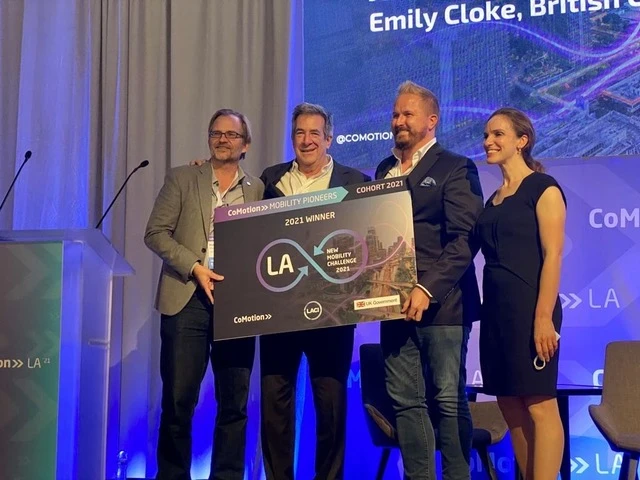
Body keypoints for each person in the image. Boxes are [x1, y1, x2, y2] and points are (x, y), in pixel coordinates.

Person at [144, 108, 264, 480]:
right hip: (187, 297)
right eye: (216, 133)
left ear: (245, 145)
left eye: (232, 134)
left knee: (234, 403)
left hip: (237, 301)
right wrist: (195, 267)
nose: (223, 139)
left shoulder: (257, 189)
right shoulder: (182, 177)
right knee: (178, 400)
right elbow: (155, 233)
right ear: (209, 138)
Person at [376, 81, 484, 480]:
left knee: (448, 400)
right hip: (391, 304)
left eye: (408, 114)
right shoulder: (384, 170)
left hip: (444, 306)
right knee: (405, 401)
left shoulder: (455, 166)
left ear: (431, 120)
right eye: (395, 114)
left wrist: (427, 288)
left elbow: (465, 238)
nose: (399, 121)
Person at [259, 102, 370, 480]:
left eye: (314, 133)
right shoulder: (270, 179)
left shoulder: (354, 180)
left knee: (331, 404)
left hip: (332, 311)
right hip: (278, 309)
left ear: (329, 139)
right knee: (275, 404)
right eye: (299, 133)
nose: (306, 140)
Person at [476, 107, 566, 480]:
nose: (488, 141)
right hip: (496, 313)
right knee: (510, 406)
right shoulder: (493, 199)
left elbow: (553, 255)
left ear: (521, 141)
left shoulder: (543, 188)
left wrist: (543, 318)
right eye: (486, 135)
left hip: (531, 310)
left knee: (540, 405)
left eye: (498, 134)